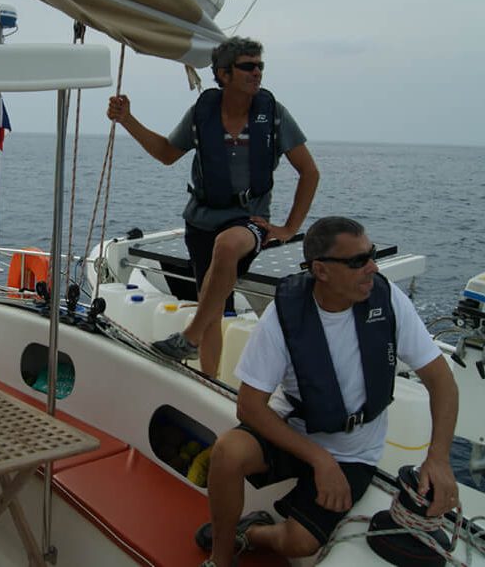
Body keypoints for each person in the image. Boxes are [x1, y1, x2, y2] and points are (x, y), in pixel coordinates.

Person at [195, 216, 459, 567]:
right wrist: (318, 458)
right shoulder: (285, 314)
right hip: (298, 432)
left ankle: (253, 534)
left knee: (299, 543)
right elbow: (249, 406)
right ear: (320, 270)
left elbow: (442, 381)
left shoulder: (389, 301)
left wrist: (438, 458)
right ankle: (221, 557)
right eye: (357, 261)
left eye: (372, 254)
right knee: (227, 452)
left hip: (354, 453)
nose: (372, 268)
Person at [107, 37, 319, 376]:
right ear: (224, 74)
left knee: (228, 245)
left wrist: (289, 228)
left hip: (248, 219)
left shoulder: (274, 115)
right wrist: (127, 119)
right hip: (201, 220)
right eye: (248, 66)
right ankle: (208, 381)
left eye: (260, 65)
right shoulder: (202, 113)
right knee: (213, 306)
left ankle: (188, 338)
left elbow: (309, 172)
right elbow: (166, 153)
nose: (257, 72)